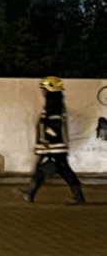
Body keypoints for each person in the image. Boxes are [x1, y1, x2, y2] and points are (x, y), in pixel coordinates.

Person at [23, 76, 86, 205]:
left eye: (44, 88)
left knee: (58, 169)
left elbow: (55, 122)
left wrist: (47, 138)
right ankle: (30, 191)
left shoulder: (54, 102)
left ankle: (31, 191)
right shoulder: (53, 101)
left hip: (53, 144)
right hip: (52, 144)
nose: (42, 91)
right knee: (52, 168)